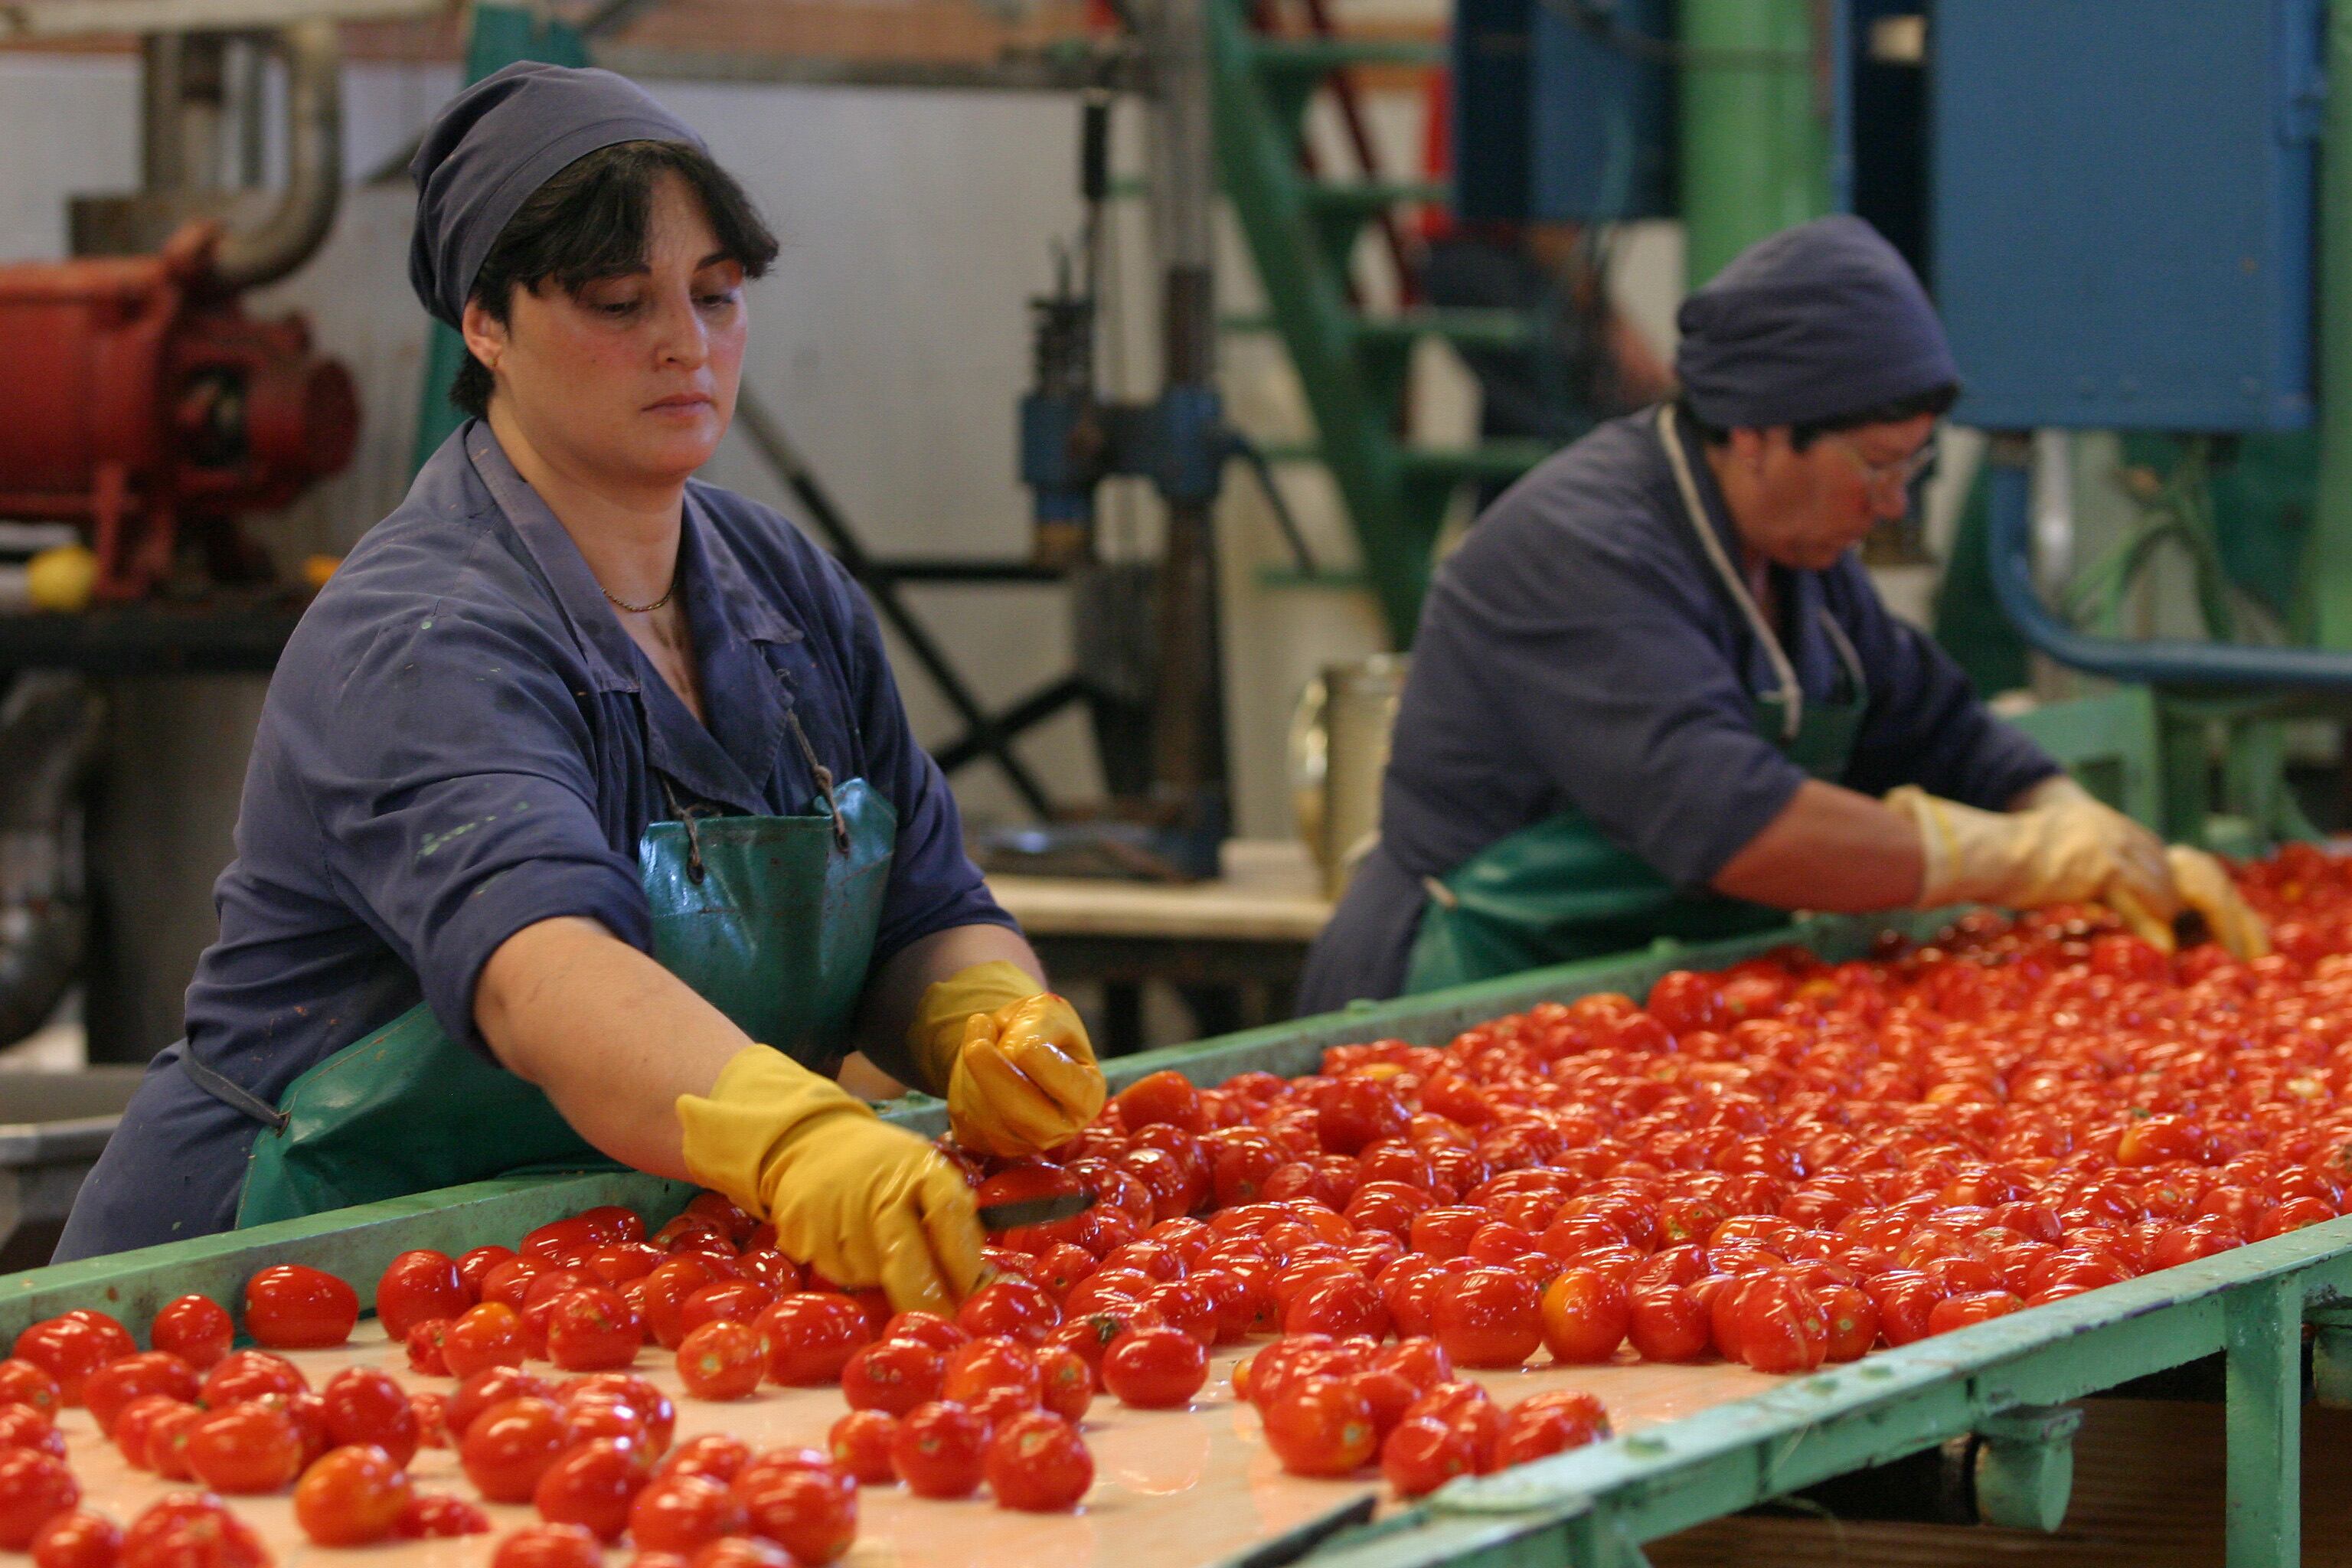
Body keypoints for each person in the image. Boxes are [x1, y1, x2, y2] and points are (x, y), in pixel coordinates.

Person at [59, 64, 1106, 1311]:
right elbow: (547, 979)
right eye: (619, 301)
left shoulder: (787, 591)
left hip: (572, 1281)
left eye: (715, 296)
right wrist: (793, 1138)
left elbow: (921, 903)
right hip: (277, 1287)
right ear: (483, 323)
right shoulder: (424, 628)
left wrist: (982, 1015)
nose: (685, 342)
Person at [1295, 216, 2265, 1014]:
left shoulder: (1801, 559)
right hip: (1459, 1004)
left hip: (1634, 999)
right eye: (1877, 466)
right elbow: (1732, 821)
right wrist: (2015, 859)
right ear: (1759, 433)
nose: (1894, 503)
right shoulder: (1582, 548)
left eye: (1914, 468)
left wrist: (2075, 820)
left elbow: (1937, 727)